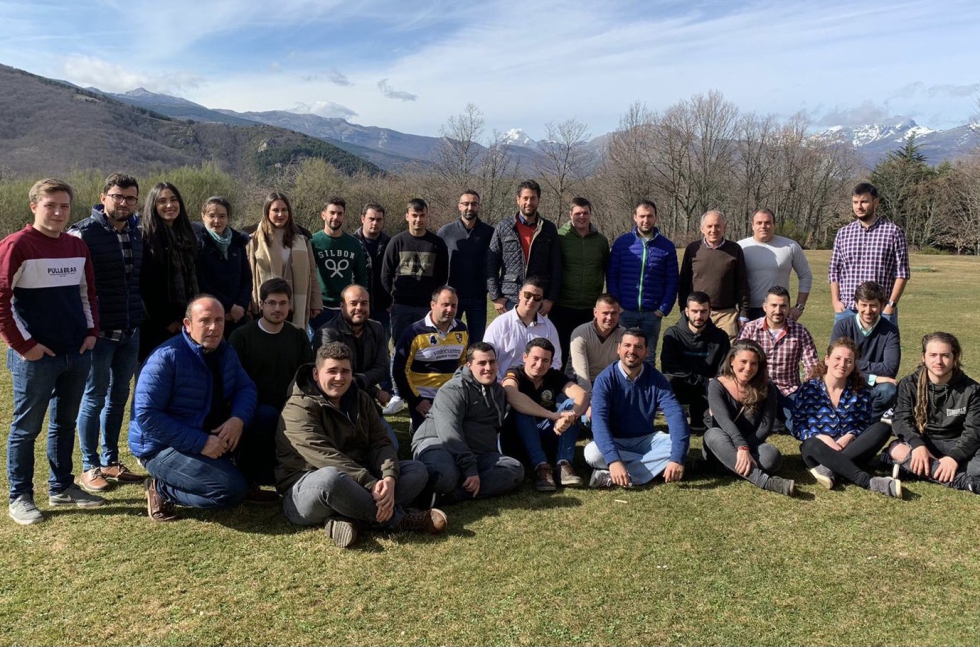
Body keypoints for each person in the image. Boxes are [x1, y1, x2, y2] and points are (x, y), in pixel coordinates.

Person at [276, 342, 447, 548]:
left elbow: (380, 441)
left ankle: (349, 520)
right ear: (315, 373)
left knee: (416, 470)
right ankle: (399, 520)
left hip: (359, 482)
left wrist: (389, 478)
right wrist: (371, 483)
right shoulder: (297, 407)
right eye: (332, 371)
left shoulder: (361, 399)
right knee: (330, 479)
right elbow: (322, 455)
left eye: (345, 371)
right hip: (308, 487)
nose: (339, 378)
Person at [2, 179, 103, 524]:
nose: (58, 213)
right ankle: (20, 496)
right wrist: (24, 346)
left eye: (64, 207)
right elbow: (1, 301)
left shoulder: (76, 246)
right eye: (51, 206)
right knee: (26, 428)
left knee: (64, 422)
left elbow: (87, 293)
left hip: (76, 352)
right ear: (34, 207)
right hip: (36, 357)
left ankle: (62, 486)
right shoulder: (17, 245)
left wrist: (91, 332)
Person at [129, 296, 258, 521]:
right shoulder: (166, 358)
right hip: (162, 446)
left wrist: (238, 418)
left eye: (219, 320)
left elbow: (245, 387)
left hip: (209, 432)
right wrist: (200, 443)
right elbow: (147, 416)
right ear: (187, 325)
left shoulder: (225, 351)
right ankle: (161, 489)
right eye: (205, 321)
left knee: (266, 417)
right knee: (229, 491)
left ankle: (248, 480)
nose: (214, 327)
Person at [69, 172, 145, 492]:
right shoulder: (82, 234)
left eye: (130, 198)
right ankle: (89, 466)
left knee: (118, 398)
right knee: (94, 398)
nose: (124, 203)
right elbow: (70, 287)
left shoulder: (138, 232)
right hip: (98, 334)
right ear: (104, 198)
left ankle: (111, 461)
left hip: (130, 331)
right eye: (118, 196)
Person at [412, 342, 525, 504]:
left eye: (492, 362)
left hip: (477, 453)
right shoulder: (452, 389)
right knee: (446, 476)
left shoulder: (499, 392)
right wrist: (470, 469)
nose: (488, 368)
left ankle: (454, 495)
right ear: (469, 365)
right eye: (482, 363)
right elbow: (449, 434)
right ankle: (444, 486)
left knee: (514, 469)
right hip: (438, 443)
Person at [229, 279, 313, 491]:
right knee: (266, 416)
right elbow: (235, 380)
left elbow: (306, 376)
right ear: (261, 304)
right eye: (272, 303)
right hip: (254, 407)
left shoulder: (298, 336)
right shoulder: (242, 337)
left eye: (283, 303)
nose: (278, 308)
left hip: (290, 404)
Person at [791, 337, 900, 497]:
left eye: (848, 361)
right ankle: (868, 481)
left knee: (882, 428)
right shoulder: (809, 389)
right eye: (837, 358)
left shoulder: (860, 390)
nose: (842, 364)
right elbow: (798, 427)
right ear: (827, 360)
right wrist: (823, 438)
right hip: (818, 449)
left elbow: (864, 424)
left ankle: (830, 470)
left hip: (851, 448)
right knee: (810, 444)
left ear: (854, 365)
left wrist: (850, 435)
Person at [585, 328, 690, 488]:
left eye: (638, 347)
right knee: (592, 453)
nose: (632, 351)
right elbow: (599, 422)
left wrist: (676, 459)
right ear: (618, 348)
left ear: (646, 351)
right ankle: (647, 465)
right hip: (616, 441)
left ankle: (612, 477)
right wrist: (613, 460)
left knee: (682, 446)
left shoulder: (656, 379)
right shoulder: (605, 380)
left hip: (646, 440)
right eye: (627, 345)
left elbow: (676, 415)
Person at [883, 332, 980, 494]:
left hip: (958, 446)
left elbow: (974, 431)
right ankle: (963, 481)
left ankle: (912, 469)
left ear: (954, 358)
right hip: (923, 445)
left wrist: (954, 457)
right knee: (896, 449)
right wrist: (918, 445)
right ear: (923, 357)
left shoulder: (972, 389)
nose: (938, 361)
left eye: (945, 355)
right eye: (933, 355)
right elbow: (901, 420)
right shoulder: (908, 384)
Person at [702, 340, 794, 496]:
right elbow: (724, 421)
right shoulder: (717, 385)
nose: (748, 368)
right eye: (743, 362)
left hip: (752, 444)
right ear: (731, 361)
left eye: (754, 363)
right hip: (723, 443)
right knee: (712, 435)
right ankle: (765, 481)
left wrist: (745, 448)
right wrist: (741, 447)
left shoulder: (767, 387)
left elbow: (765, 427)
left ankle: (722, 467)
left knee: (772, 457)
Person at [313, 284, 399, 447]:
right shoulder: (327, 333)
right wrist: (374, 390)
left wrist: (368, 389)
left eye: (364, 303)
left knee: (392, 447)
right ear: (342, 306)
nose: (359, 308)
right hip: (336, 403)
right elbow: (335, 379)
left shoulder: (376, 328)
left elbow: (381, 369)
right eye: (353, 303)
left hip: (365, 400)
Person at [501, 339, 589, 491]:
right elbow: (511, 394)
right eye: (535, 359)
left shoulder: (554, 376)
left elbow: (581, 394)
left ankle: (563, 464)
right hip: (518, 439)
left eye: (545, 360)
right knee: (522, 409)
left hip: (548, 433)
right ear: (525, 358)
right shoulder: (514, 374)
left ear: (550, 363)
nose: (539, 365)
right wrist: (552, 415)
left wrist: (570, 416)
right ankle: (541, 466)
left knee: (569, 406)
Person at [829, 182, 910, 329]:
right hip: (847, 310)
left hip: (881, 311)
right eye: (855, 202)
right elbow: (834, 270)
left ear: (875, 202)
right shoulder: (843, 233)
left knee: (882, 352)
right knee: (842, 352)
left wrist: (891, 305)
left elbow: (902, 273)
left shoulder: (893, 233)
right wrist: (835, 301)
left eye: (864, 202)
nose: (858, 207)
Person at [737, 286, 818, 432]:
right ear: (765, 307)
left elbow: (811, 366)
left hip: (788, 390)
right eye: (773, 305)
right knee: (745, 425)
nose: (778, 311)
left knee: (799, 426)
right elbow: (737, 363)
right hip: (757, 389)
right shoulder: (749, 329)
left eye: (783, 306)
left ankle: (779, 420)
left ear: (788, 307)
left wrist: (809, 392)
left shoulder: (800, 332)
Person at [607, 199, 678, 361]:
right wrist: (618, 306)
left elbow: (672, 281)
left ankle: (646, 387)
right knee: (623, 355)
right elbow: (612, 276)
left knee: (648, 356)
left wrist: (662, 310)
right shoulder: (622, 243)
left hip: (652, 313)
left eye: (650, 216)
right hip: (626, 312)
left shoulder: (666, 246)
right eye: (642, 216)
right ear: (635, 217)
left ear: (656, 218)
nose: (646, 220)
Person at [392, 286, 468, 431]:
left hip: (450, 396)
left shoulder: (462, 329)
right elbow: (399, 369)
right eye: (445, 305)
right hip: (423, 399)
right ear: (433, 305)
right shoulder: (414, 332)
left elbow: (463, 366)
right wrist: (416, 401)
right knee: (428, 438)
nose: (450, 310)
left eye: (454, 306)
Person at [139, 182, 199, 361]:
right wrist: (166, 321)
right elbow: (146, 286)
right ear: (153, 205)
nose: (169, 205)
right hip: (158, 326)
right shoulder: (146, 238)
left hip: (188, 321)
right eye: (162, 201)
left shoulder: (188, 236)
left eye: (174, 200)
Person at [381, 197, 449, 352]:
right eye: (414, 215)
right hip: (401, 306)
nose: (418, 219)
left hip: (427, 307)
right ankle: (397, 377)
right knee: (401, 348)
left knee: (427, 349)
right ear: (407, 216)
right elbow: (386, 274)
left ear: (427, 216)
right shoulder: (396, 242)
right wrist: (390, 300)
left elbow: (442, 276)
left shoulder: (437, 244)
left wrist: (435, 302)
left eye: (422, 215)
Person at [246, 191, 322, 331]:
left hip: (295, 304)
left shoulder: (302, 240)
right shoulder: (253, 241)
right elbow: (247, 275)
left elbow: (312, 271)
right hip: (265, 305)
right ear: (267, 212)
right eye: (275, 210)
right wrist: (248, 306)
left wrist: (315, 302)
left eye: (284, 210)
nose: (280, 214)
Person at [487, 179, 562, 315]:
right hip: (509, 298)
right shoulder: (504, 227)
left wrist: (550, 298)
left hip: (538, 298)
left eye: (533, 198)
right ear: (518, 199)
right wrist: (496, 296)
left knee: (537, 336)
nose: (529, 202)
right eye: (525, 198)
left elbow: (556, 265)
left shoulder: (548, 229)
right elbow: (491, 263)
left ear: (538, 200)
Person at [552, 197, 610, 370]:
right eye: (577, 213)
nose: (581, 217)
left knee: (589, 353)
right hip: (563, 305)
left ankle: (589, 389)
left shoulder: (601, 241)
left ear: (590, 214)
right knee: (560, 352)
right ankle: (558, 389)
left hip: (590, 306)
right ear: (570, 214)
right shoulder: (560, 238)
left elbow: (606, 269)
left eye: (585, 213)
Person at [829, 281, 900, 419]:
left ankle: (867, 421)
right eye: (864, 305)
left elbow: (890, 368)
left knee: (888, 390)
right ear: (856, 304)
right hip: (847, 381)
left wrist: (853, 364)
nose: (868, 311)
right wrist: (873, 378)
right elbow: (836, 364)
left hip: (874, 388)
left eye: (873, 305)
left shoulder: (890, 331)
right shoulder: (842, 326)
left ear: (882, 306)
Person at [660, 292, 730, 431]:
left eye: (703, 311)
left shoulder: (720, 337)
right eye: (694, 311)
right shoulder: (673, 334)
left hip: (707, 390)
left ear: (710, 311)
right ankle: (677, 414)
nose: (699, 316)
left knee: (708, 426)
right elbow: (669, 367)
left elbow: (724, 369)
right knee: (667, 379)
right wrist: (702, 379)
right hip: (682, 385)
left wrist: (710, 384)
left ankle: (700, 415)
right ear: (686, 311)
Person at [678, 210, 750, 341]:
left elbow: (742, 283)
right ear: (702, 229)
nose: (713, 230)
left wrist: (743, 313)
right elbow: (684, 282)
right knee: (697, 352)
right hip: (697, 312)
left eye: (717, 226)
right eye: (709, 226)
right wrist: (684, 310)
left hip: (726, 314)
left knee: (727, 354)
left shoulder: (734, 249)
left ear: (724, 227)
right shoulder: (693, 249)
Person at [437, 189, 494, 342]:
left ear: (478, 206)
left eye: (474, 204)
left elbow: (495, 263)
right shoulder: (446, 231)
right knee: (448, 339)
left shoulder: (489, 233)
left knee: (476, 341)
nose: (470, 207)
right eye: (466, 204)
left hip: (478, 296)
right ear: (459, 206)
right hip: (452, 296)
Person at [738, 209, 812, 321]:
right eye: (759, 223)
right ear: (752, 225)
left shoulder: (790, 246)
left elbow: (805, 275)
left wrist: (799, 306)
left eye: (767, 222)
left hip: (779, 309)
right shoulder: (740, 247)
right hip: (748, 312)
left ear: (774, 225)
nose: (763, 226)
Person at [193, 196, 252, 339]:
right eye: (211, 216)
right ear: (203, 216)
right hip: (210, 315)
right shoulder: (197, 244)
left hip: (237, 316)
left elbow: (247, 278)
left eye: (221, 216)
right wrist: (229, 306)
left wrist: (240, 306)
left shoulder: (237, 242)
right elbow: (201, 282)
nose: (217, 221)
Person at [483, 276, 561, 382]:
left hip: (537, 386)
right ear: (520, 294)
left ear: (541, 300)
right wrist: (499, 384)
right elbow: (487, 358)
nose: (531, 300)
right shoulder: (499, 324)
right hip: (504, 384)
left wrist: (542, 382)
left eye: (537, 297)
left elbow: (556, 361)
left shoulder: (548, 327)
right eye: (527, 295)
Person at [310, 196, 369, 328]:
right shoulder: (313, 242)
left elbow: (361, 276)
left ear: (344, 216)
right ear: (323, 215)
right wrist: (312, 302)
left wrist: (359, 303)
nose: (336, 217)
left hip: (345, 307)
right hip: (320, 307)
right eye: (332, 212)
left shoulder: (354, 244)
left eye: (339, 213)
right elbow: (307, 274)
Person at [567, 294, 625, 397]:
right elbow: (581, 372)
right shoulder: (581, 333)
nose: (609, 318)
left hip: (608, 384)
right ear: (595, 312)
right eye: (605, 313)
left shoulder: (624, 335)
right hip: (579, 384)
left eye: (614, 313)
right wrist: (589, 398)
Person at [354, 203, 392, 345]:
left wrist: (391, 302)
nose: (375, 223)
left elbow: (397, 274)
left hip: (383, 308)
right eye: (371, 219)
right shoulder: (352, 243)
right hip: (357, 307)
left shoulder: (391, 244)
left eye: (379, 219)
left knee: (381, 350)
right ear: (363, 219)